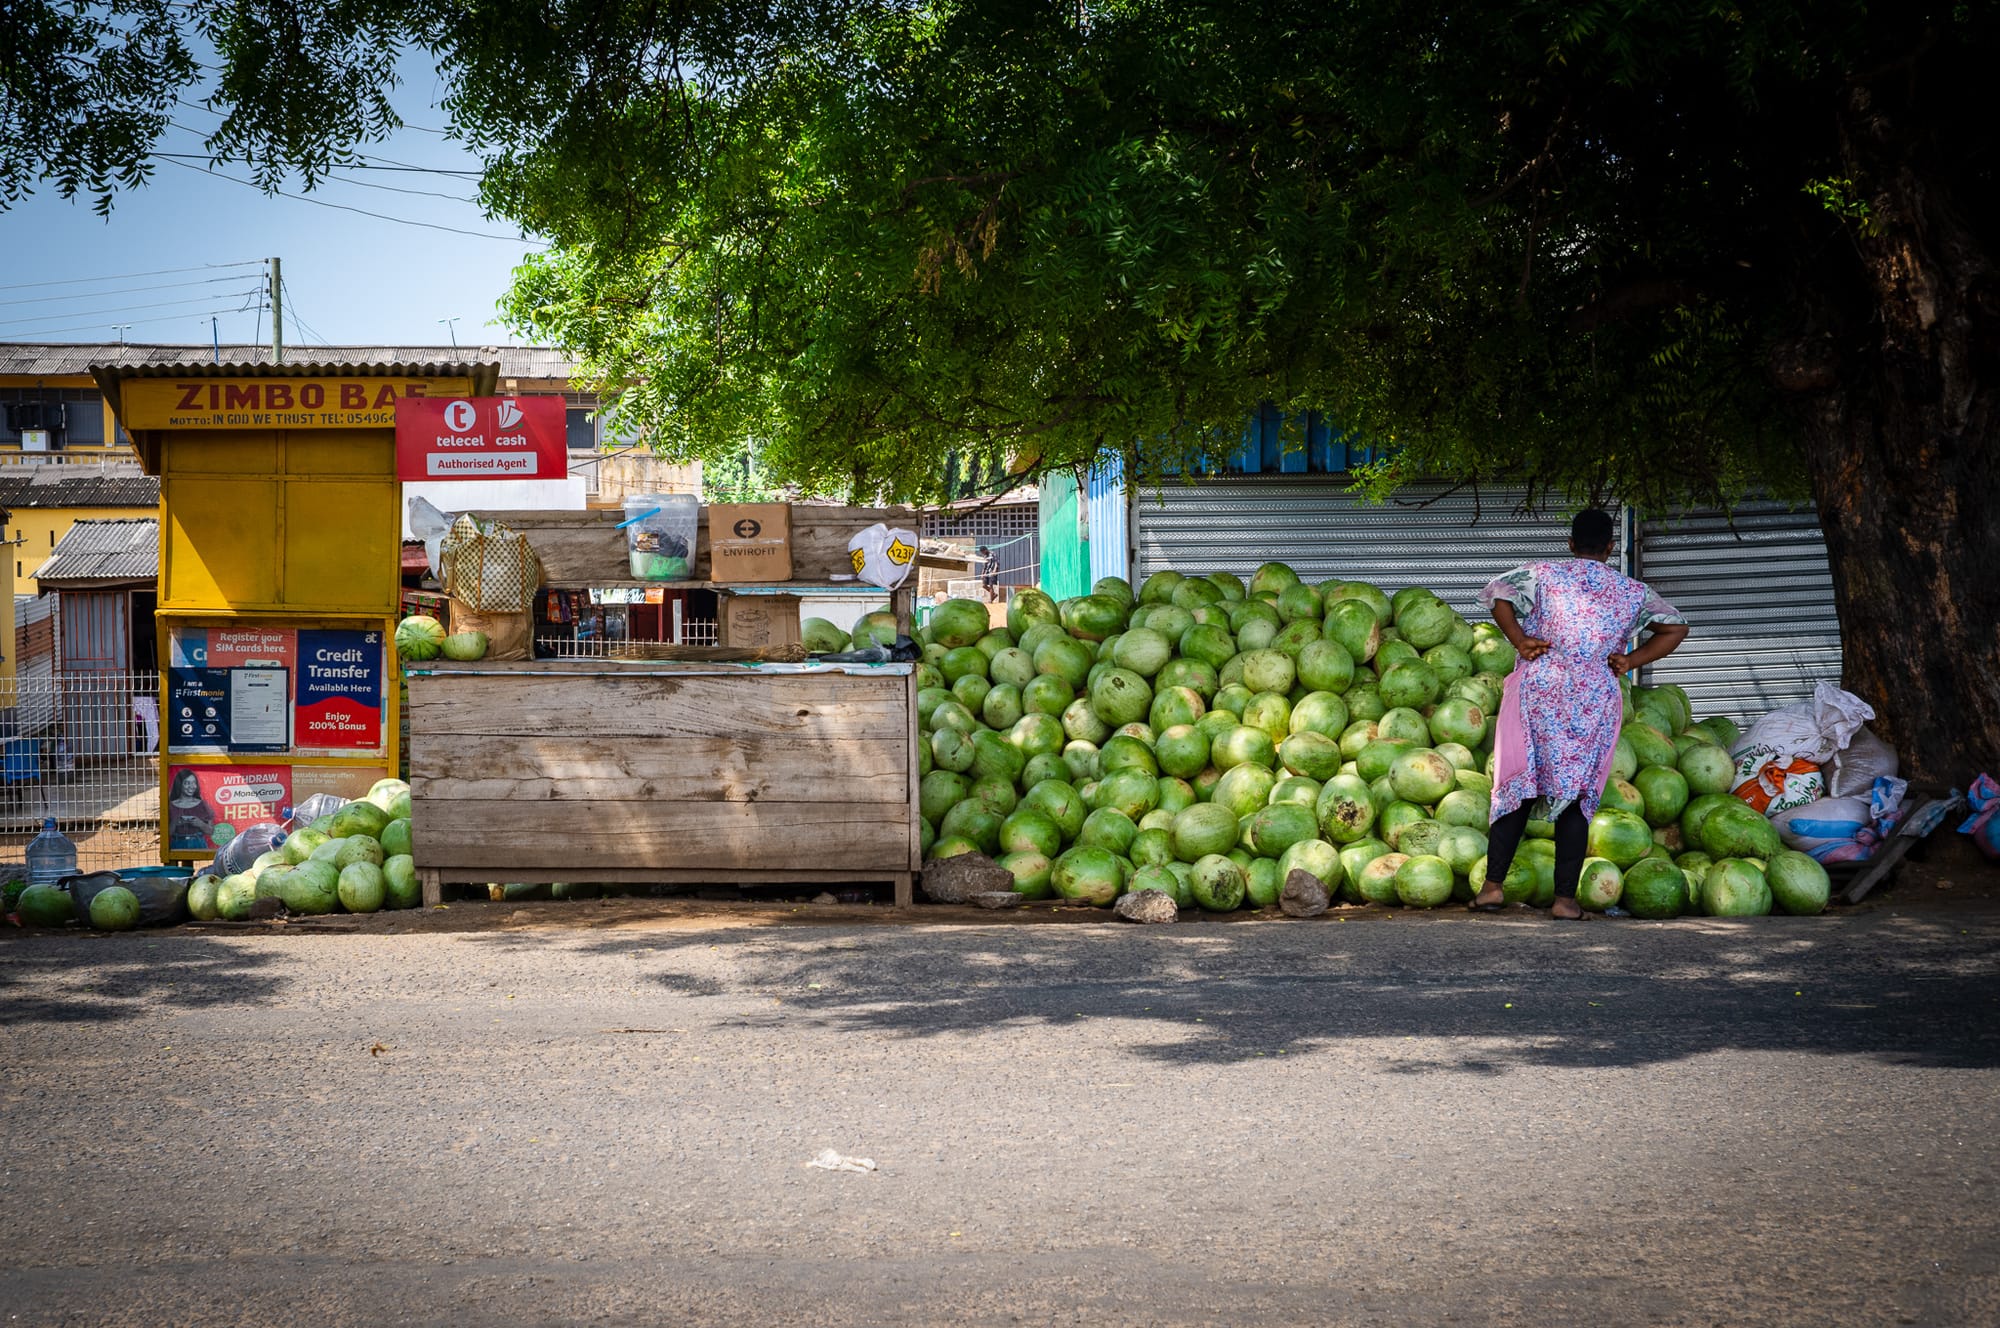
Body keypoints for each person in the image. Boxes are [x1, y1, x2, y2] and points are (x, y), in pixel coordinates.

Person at [1471, 509, 1689, 919]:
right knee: (1576, 795)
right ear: (1610, 548)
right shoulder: (1631, 591)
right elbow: (1675, 627)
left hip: (1540, 693)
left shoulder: (1542, 573)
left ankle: (1491, 888)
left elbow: (1497, 594)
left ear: (1570, 544)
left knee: (1520, 784)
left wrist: (1520, 640)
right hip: (1591, 702)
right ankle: (1564, 901)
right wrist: (1630, 660)